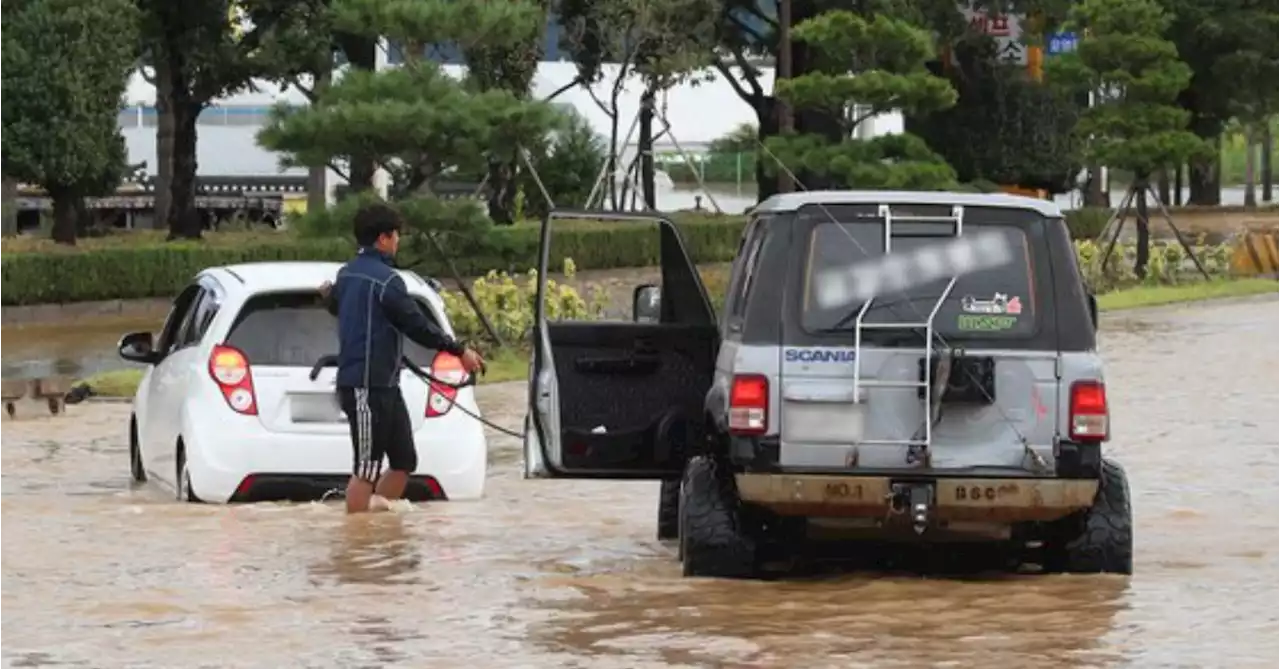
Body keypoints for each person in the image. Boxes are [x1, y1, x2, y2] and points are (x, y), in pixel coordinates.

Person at [320, 203, 485, 514]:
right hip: (364, 385)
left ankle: (377, 530)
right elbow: (417, 325)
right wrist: (459, 350)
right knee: (367, 468)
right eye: (396, 235)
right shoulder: (386, 281)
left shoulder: (346, 274)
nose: (398, 241)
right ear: (383, 238)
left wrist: (328, 297)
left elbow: (339, 306)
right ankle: (355, 542)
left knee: (404, 460)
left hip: (385, 384)